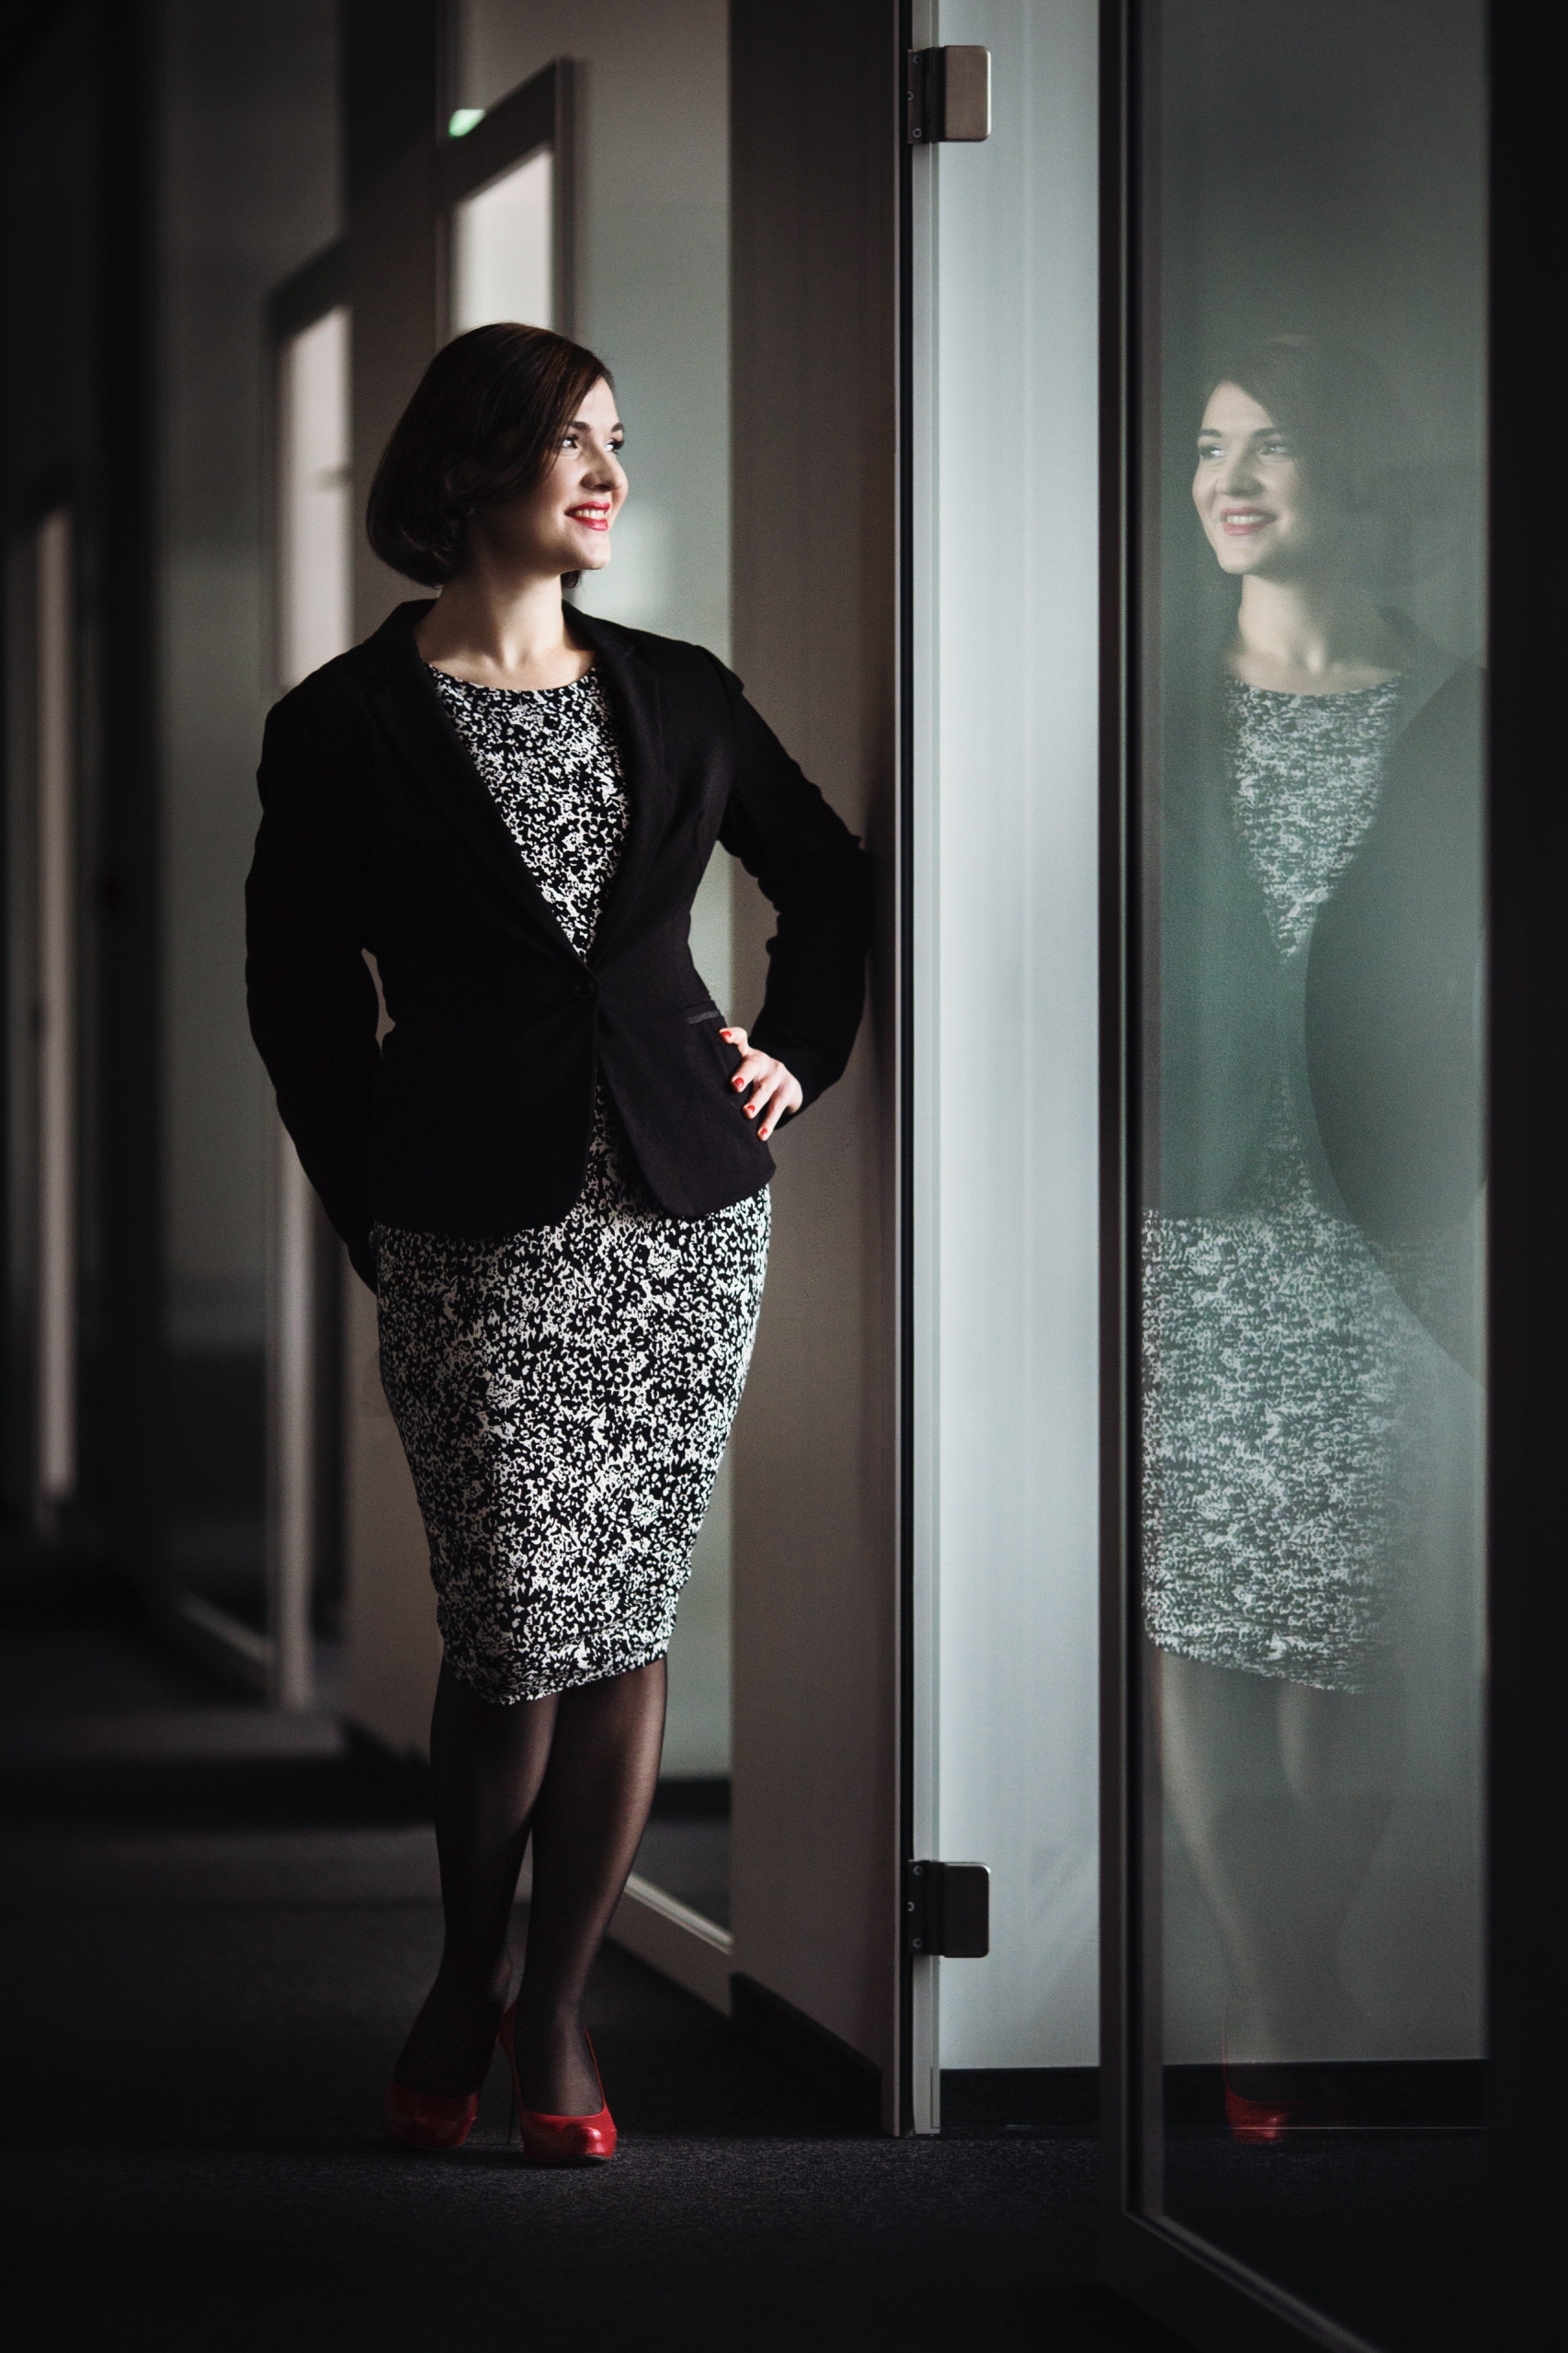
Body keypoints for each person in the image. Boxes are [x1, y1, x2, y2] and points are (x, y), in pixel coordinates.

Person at [245, 324, 870, 2161]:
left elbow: (826, 874)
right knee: (514, 1615)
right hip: (466, 1224)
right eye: (567, 441)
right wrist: (380, 1205)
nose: (607, 473)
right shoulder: (342, 724)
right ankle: (469, 1967)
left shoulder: (675, 690)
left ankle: (561, 2006)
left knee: (623, 1614)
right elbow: (300, 1004)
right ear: (467, 468)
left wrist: (797, 1050)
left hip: (681, 1217)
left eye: (615, 438)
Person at [1142, 335, 1483, 2134]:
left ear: (1351, 470)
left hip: (1389, 1228)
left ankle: (1291, 1983)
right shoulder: (1154, 711)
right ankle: (1280, 2005)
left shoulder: (1468, 712)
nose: (1232, 477)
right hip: (1194, 1227)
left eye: (1272, 444)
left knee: (1347, 1630)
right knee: (1204, 1620)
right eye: (1213, 447)